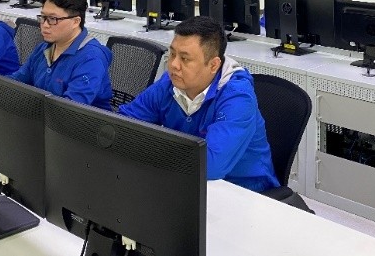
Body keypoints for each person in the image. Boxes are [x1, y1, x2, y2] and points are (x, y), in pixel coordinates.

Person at [119, 15, 279, 192]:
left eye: (185, 59)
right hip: (187, 183)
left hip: (247, 193)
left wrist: (151, 148)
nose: (173, 65)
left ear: (213, 65)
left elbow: (210, 165)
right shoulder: (168, 84)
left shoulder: (237, 98)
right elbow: (123, 124)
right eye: (172, 54)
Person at [11, 0, 113, 110]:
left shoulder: (91, 58)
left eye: (53, 19)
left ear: (75, 22)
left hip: (80, 121)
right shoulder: (43, 48)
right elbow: (15, 81)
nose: (45, 25)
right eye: (43, 17)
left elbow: (69, 109)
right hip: (41, 116)